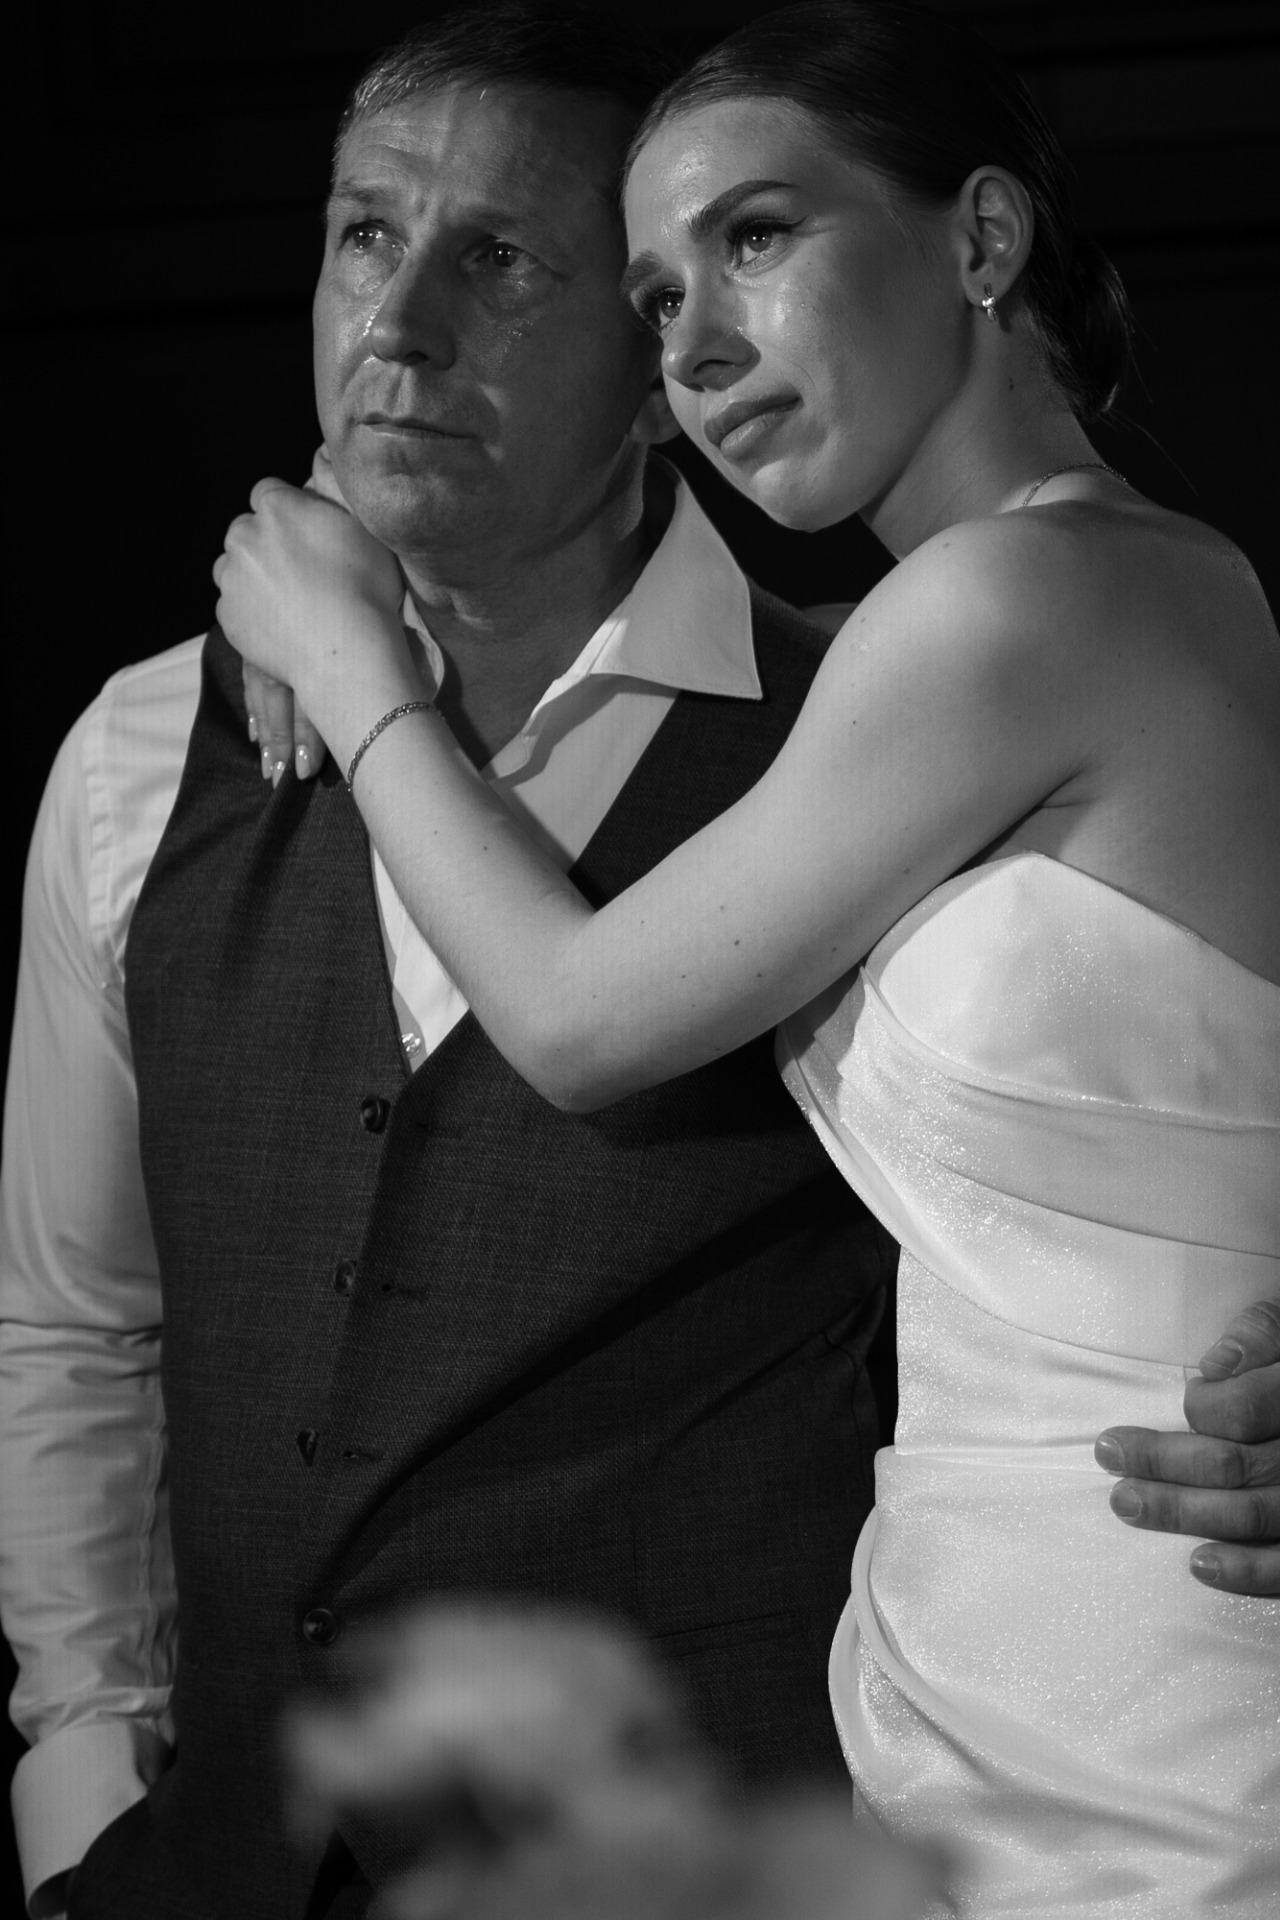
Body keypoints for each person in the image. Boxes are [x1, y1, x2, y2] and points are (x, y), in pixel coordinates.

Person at [213, 2, 1280, 1912]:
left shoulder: (1012, 603)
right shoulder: (1163, 589)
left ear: (980, 237)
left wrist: (350, 657)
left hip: (1147, 1668)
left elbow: (573, 1021)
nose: (696, 345)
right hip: (995, 1657)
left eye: (758, 238)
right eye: (654, 294)